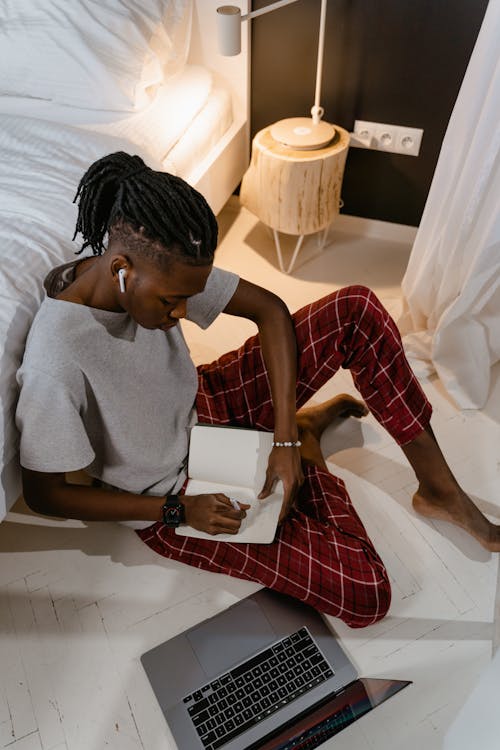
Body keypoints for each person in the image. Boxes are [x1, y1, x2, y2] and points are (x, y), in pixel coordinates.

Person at [16, 152, 500, 630]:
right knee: (367, 594)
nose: (184, 312)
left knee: (356, 309)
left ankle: (438, 489)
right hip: (178, 492)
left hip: (205, 398)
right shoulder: (56, 358)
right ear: (121, 268)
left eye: (190, 296)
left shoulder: (158, 261)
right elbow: (47, 496)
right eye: (172, 301)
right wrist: (176, 510)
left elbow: (269, 309)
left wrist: (282, 437)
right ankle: (308, 449)